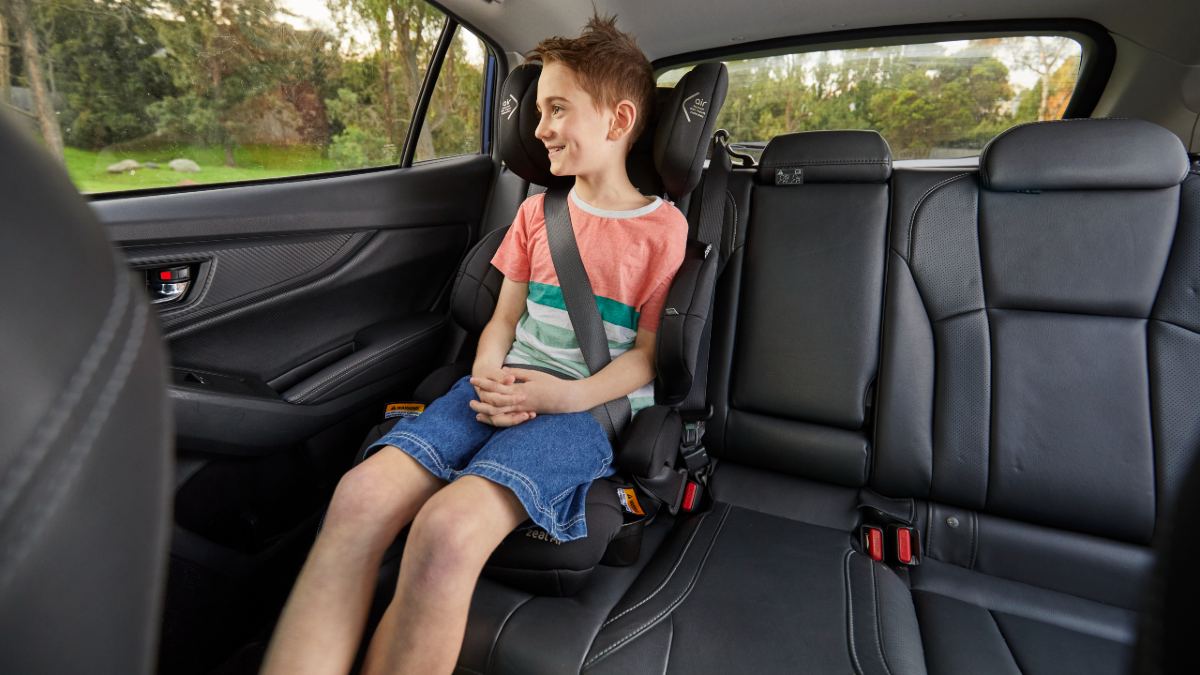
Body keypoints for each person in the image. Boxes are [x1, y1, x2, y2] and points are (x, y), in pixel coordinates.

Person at [260, 14, 687, 675]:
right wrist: (487, 370)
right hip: (493, 388)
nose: (539, 127)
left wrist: (566, 392)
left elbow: (646, 355)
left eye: (557, 109)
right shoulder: (536, 215)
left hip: (582, 412)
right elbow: (504, 319)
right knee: (359, 498)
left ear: (619, 119)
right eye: (539, 110)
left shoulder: (663, 231)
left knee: (446, 529)